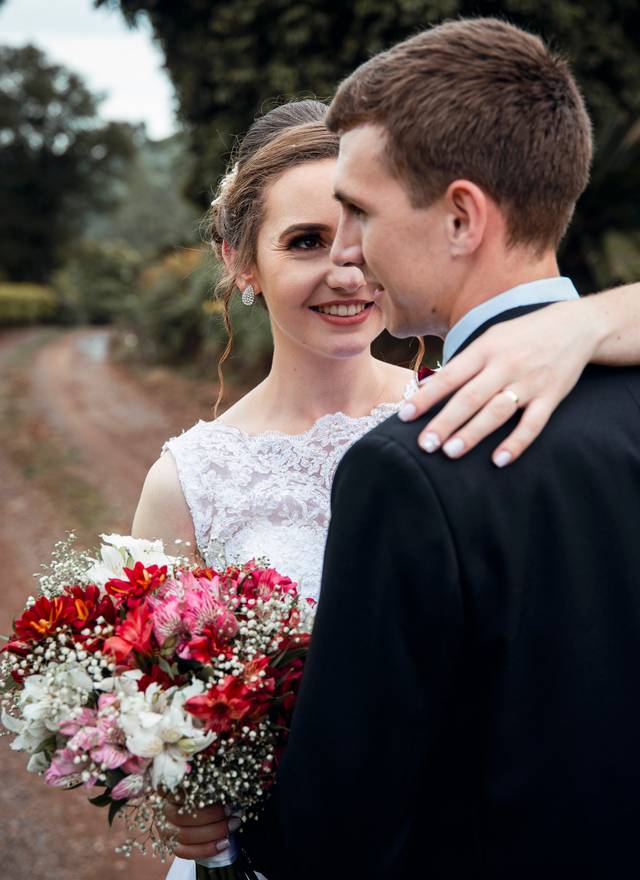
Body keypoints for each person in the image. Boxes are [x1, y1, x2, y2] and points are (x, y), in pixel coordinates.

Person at [130, 96, 640, 876]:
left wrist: (586, 322)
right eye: (306, 241)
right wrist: (176, 784)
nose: (348, 266)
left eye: (359, 230)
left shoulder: (483, 399)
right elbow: (148, 707)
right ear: (240, 261)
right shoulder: (190, 482)